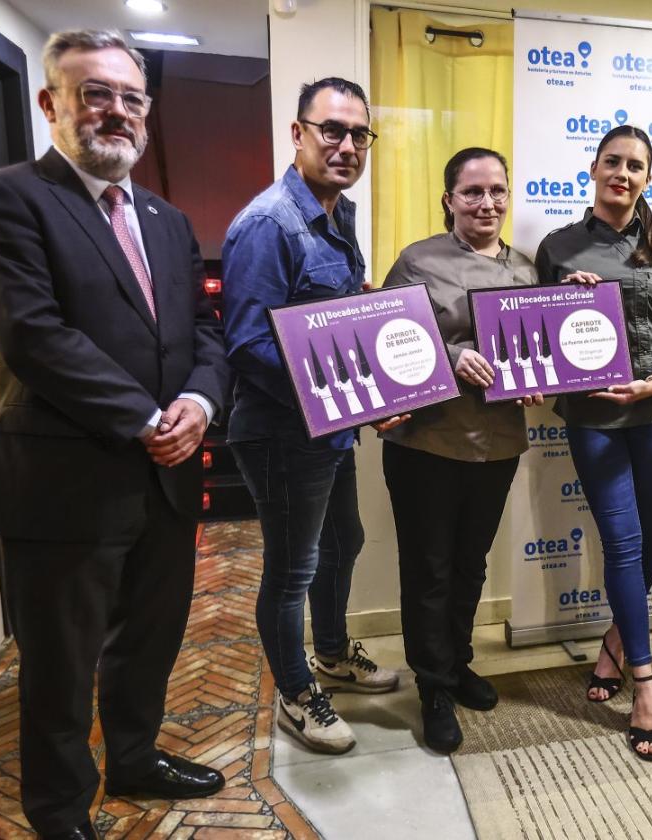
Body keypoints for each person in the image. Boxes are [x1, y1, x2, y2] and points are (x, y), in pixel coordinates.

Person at [0, 30, 229, 839]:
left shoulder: (168, 220)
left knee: (150, 638)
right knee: (60, 666)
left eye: (131, 97)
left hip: (168, 477)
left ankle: (136, 758)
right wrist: (147, 418)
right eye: (94, 93)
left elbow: (203, 330)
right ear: (51, 104)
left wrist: (201, 406)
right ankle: (59, 810)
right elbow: (33, 335)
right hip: (64, 484)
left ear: (147, 113)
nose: (115, 111)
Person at [222, 77, 398, 756]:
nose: (348, 145)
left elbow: (326, 314)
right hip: (280, 430)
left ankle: (329, 652)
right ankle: (297, 693)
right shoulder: (270, 223)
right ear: (298, 134)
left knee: (344, 541)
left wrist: (373, 311)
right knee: (293, 568)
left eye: (360, 134)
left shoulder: (337, 213)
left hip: (327, 425)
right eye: (333, 130)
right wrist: (351, 391)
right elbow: (248, 343)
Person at [535, 125, 652, 762]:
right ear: (594, 168)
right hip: (593, 421)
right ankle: (645, 681)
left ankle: (611, 644)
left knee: (651, 539)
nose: (622, 174)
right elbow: (535, 334)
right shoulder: (558, 246)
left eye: (635, 166)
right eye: (613, 162)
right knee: (624, 541)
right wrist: (556, 301)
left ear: (647, 178)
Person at [380, 148, 541, 754]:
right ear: (449, 198)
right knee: (430, 569)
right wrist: (451, 357)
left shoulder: (527, 269)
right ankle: (432, 686)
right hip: (427, 443)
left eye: (497, 190)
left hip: (496, 444)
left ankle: (458, 661)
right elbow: (388, 341)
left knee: (470, 564)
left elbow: (542, 341)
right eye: (472, 192)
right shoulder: (418, 261)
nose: (487, 203)